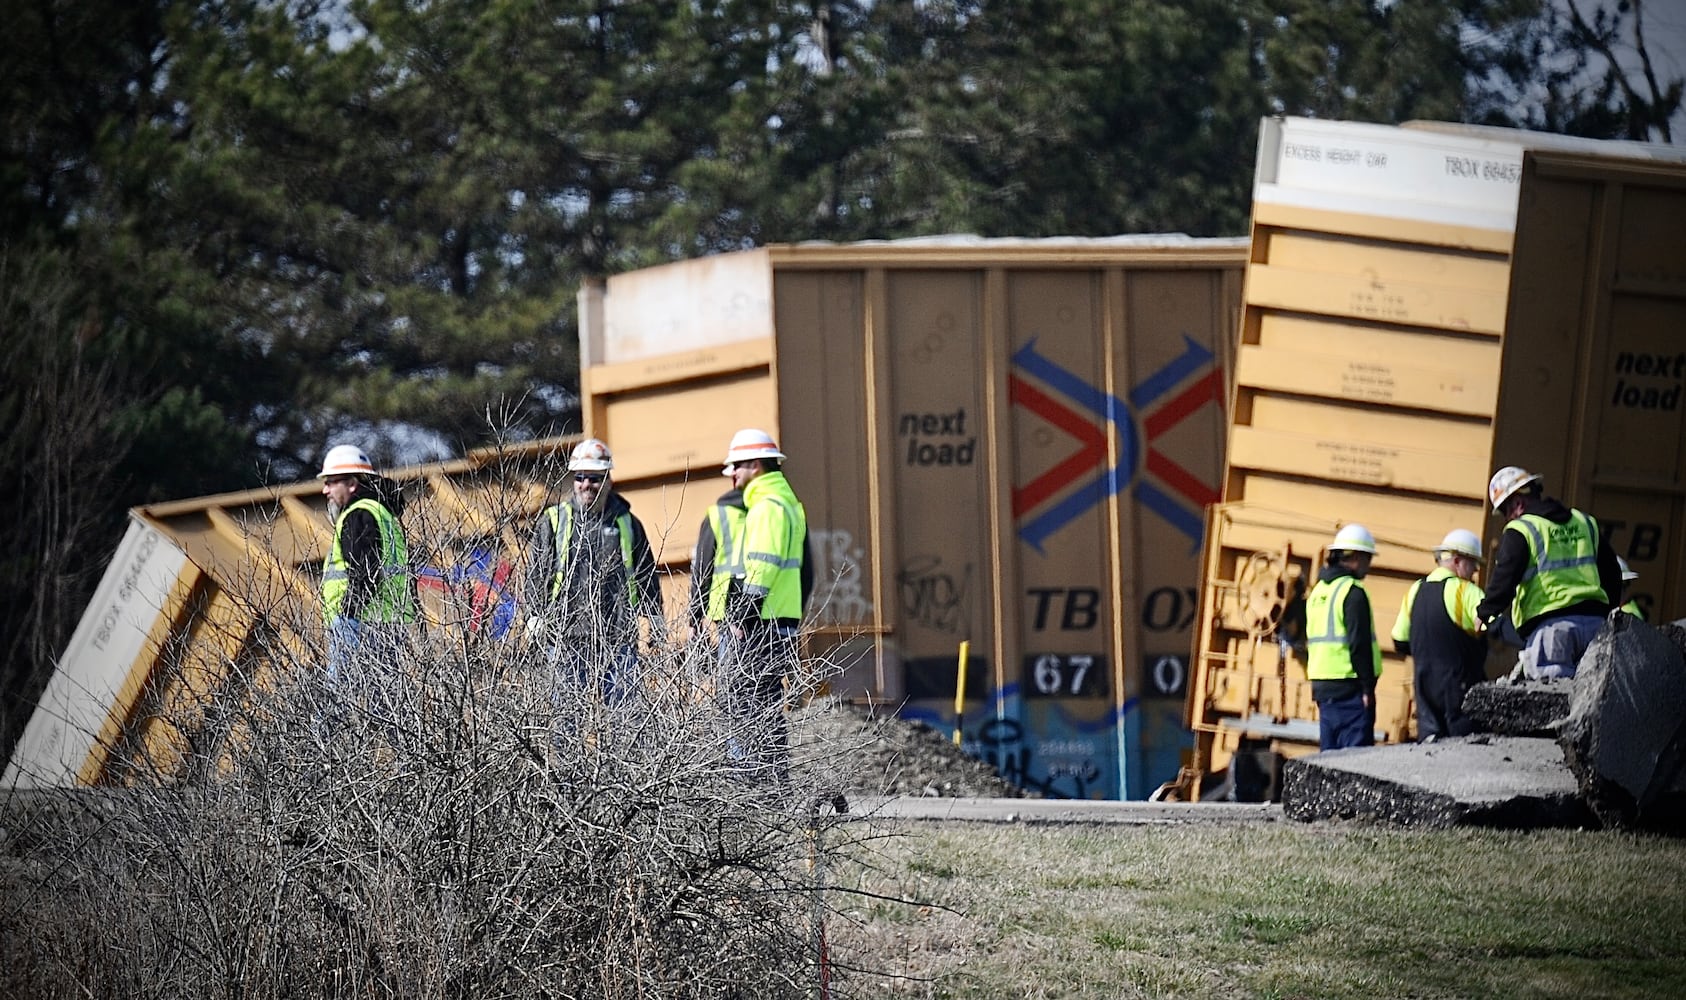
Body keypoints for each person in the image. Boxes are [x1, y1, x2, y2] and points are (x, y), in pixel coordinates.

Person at [523, 437, 662, 703]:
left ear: (608, 480)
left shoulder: (627, 523)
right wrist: (534, 617)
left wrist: (655, 618)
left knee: (626, 718)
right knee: (566, 721)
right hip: (564, 638)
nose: (587, 484)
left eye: (595, 478)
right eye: (581, 477)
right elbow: (536, 575)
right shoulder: (554, 521)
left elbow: (645, 573)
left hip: (618, 637)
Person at [716, 429, 811, 781]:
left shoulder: (767, 507)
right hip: (779, 620)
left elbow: (761, 569)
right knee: (767, 707)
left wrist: (741, 615)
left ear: (755, 465)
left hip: (761, 624)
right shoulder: (787, 503)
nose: (732, 475)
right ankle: (773, 787)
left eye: (736, 466)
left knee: (750, 707)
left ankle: (762, 790)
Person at [1475, 466, 1621, 681]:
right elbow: (1612, 573)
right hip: (1596, 627)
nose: (1508, 519)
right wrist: (1605, 612)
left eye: (1505, 512)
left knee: (1552, 704)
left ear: (1517, 503)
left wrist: (1485, 612)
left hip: (1552, 631)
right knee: (1593, 699)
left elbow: (1506, 575)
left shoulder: (1522, 530)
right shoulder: (1585, 522)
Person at [317, 443, 416, 732]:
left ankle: (321, 764)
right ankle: (408, 767)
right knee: (388, 704)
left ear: (351, 483)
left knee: (337, 699)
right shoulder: (383, 513)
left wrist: (348, 613)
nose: (325, 491)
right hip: (388, 622)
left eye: (330, 483)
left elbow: (366, 573)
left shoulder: (358, 514)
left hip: (360, 622)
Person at [1392, 529, 1487, 741]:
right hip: (1460, 692)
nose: (1475, 571)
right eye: (1473, 564)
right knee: (1464, 753)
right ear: (1458, 561)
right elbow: (1495, 627)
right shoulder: (1466, 591)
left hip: (1424, 690)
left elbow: (1399, 641)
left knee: (1429, 753)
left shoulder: (1415, 590)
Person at [1306, 524, 1381, 751]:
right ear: (1356, 557)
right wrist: (1367, 689)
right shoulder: (1353, 592)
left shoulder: (1318, 591)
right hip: (1351, 690)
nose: (1368, 566)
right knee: (1354, 766)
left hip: (1323, 690)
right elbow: (1359, 645)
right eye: (1368, 559)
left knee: (1328, 764)